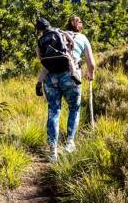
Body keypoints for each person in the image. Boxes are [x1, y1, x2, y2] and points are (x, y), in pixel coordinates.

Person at [35, 16, 95, 162]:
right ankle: (69, 143)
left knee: (53, 110)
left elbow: (40, 58)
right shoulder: (81, 37)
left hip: (50, 77)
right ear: (78, 26)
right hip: (70, 75)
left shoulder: (49, 37)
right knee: (74, 108)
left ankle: (52, 150)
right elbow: (91, 63)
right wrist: (91, 75)